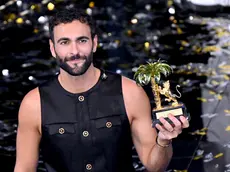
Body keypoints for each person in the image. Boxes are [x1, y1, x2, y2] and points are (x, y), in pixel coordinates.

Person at [14, 8, 189, 172]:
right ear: (53, 48)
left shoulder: (130, 93)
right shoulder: (33, 104)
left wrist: (163, 140)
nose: (74, 51)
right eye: (64, 42)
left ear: (94, 43)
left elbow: (155, 166)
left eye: (82, 41)